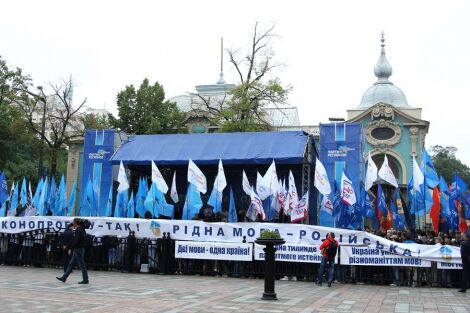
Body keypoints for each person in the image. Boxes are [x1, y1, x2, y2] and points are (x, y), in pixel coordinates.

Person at [56, 218, 89, 284]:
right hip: (79, 249)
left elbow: (76, 241)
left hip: (78, 249)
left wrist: (71, 248)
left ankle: (85, 279)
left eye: (74, 222)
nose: (73, 223)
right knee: (71, 264)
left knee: (82, 265)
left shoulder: (78, 230)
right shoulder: (82, 229)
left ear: (76, 223)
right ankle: (64, 277)